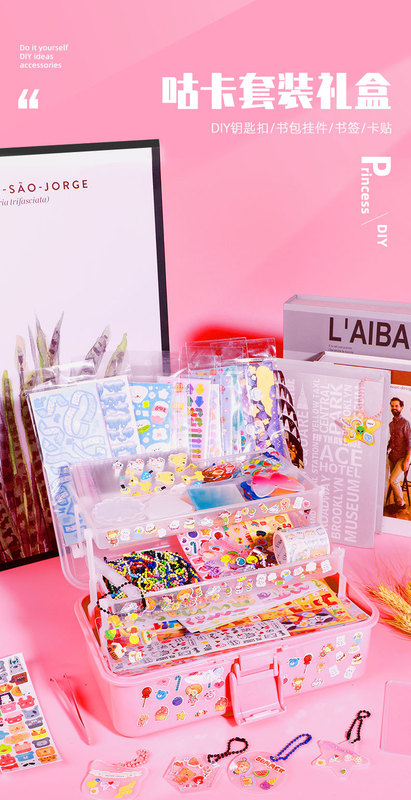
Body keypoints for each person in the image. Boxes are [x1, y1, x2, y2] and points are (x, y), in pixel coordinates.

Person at [387, 397, 411, 511]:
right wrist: (387, 449)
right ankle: (394, 503)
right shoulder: (391, 424)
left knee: (393, 480)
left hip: (403, 457)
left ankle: (401, 504)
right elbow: (392, 441)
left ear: (401, 407)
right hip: (393, 456)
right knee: (390, 480)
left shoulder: (405, 423)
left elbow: (409, 443)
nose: (394, 408)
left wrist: (407, 461)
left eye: (396, 406)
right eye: (392, 406)